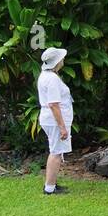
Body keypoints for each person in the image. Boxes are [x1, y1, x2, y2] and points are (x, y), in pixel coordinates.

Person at [37, 47, 73, 195]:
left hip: (50, 119)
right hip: (54, 120)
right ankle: (50, 188)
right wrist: (62, 127)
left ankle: (51, 183)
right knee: (56, 152)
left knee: (55, 150)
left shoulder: (46, 75)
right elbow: (53, 104)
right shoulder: (51, 79)